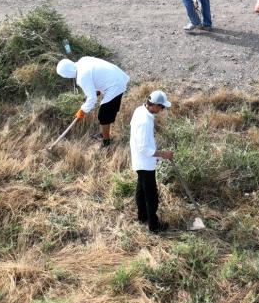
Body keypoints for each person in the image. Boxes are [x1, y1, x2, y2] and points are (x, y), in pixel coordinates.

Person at [57, 56, 130, 148]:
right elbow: (96, 76)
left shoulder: (82, 77)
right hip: (116, 75)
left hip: (115, 85)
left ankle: (106, 142)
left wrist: (82, 110)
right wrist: (94, 92)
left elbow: (92, 98)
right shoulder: (83, 61)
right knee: (104, 114)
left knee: (104, 115)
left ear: (67, 74)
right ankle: (103, 133)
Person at [130, 90, 175, 233]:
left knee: (141, 190)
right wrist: (163, 154)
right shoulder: (144, 121)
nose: (162, 110)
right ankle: (154, 226)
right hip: (145, 162)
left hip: (139, 160)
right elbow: (144, 148)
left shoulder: (140, 110)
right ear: (154, 105)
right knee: (151, 195)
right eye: (161, 107)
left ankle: (142, 217)